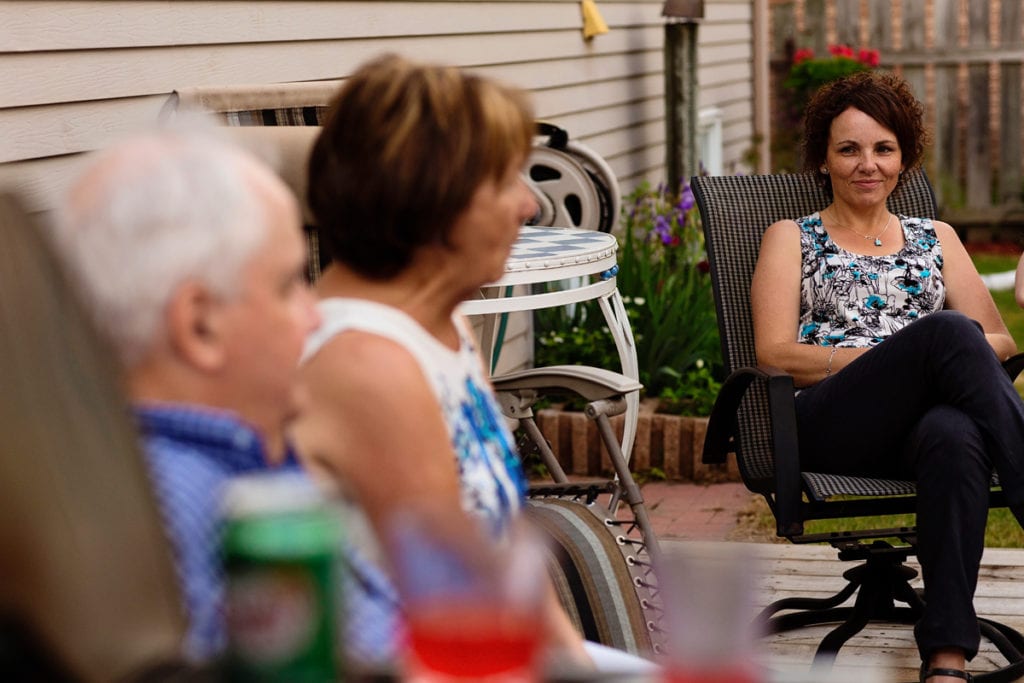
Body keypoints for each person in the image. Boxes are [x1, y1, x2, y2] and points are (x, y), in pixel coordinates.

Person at [294, 53, 656, 674]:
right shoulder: (366, 364)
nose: (531, 206)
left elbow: (498, 547)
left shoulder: (445, 325)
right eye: (506, 181)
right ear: (435, 200)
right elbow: (451, 602)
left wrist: (583, 665)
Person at [751, 70, 1024, 683]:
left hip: (915, 430)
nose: (865, 164)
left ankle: (948, 655)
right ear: (823, 159)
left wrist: (923, 365)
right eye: (848, 149)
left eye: (883, 148)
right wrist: (900, 356)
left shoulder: (938, 238)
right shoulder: (791, 237)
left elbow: (1001, 340)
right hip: (828, 421)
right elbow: (772, 353)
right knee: (947, 333)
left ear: (905, 157)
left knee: (956, 434)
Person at [55, 130, 322, 661]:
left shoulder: (234, 463)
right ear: (200, 325)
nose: (316, 315)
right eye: (290, 285)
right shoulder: (181, 523)